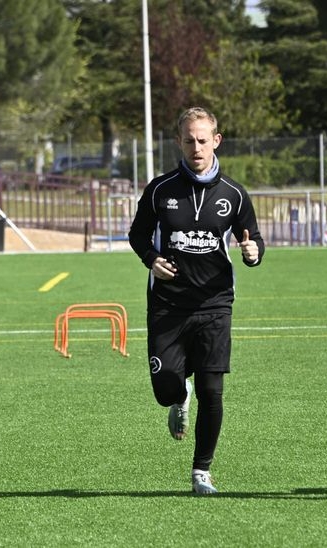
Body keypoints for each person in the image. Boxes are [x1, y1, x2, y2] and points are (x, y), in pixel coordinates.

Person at [128, 107, 265, 495]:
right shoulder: (159, 189)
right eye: (189, 140)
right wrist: (151, 260)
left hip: (215, 304)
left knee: (213, 389)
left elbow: (252, 237)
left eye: (203, 140)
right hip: (168, 305)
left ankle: (202, 471)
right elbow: (137, 234)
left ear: (216, 140)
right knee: (166, 389)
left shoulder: (235, 194)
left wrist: (253, 252)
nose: (196, 147)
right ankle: (178, 397)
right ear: (179, 142)